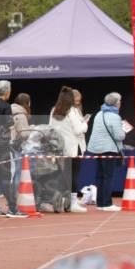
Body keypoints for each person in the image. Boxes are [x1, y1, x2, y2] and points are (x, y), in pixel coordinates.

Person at [0, 81, 26, 217]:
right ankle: (12, 208)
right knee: (7, 176)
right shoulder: (6, 106)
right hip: (2, 146)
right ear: (7, 92)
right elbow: (9, 123)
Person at [49, 85, 88, 213]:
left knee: (64, 175)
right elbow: (78, 130)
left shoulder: (54, 110)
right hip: (73, 147)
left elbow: (51, 129)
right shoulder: (73, 111)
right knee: (73, 175)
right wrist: (85, 124)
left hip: (60, 147)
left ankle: (61, 199)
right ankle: (72, 202)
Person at [86, 92, 125, 211]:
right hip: (109, 149)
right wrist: (124, 131)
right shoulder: (115, 117)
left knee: (100, 176)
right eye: (119, 101)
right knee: (108, 176)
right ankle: (107, 203)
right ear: (116, 103)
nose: (120, 103)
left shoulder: (99, 113)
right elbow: (119, 136)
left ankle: (100, 203)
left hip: (97, 149)